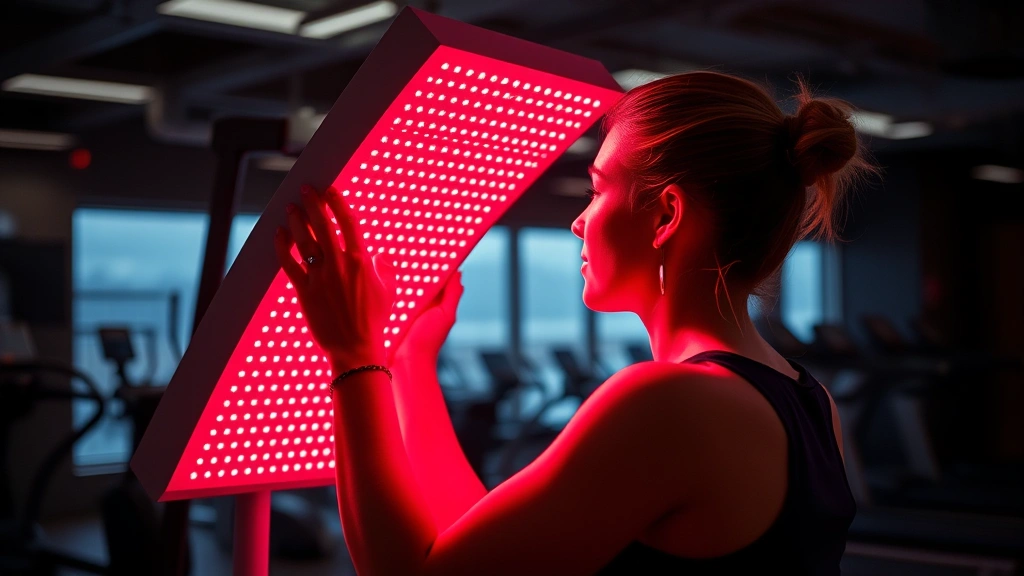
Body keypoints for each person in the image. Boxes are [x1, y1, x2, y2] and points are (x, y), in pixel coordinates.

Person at [274, 70, 876, 575]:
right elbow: (479, 556)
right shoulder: (808, 400)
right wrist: (411, 364)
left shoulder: (673, 401)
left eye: (597, 190)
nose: (578, 223)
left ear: (666, 215)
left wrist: (354, 356)